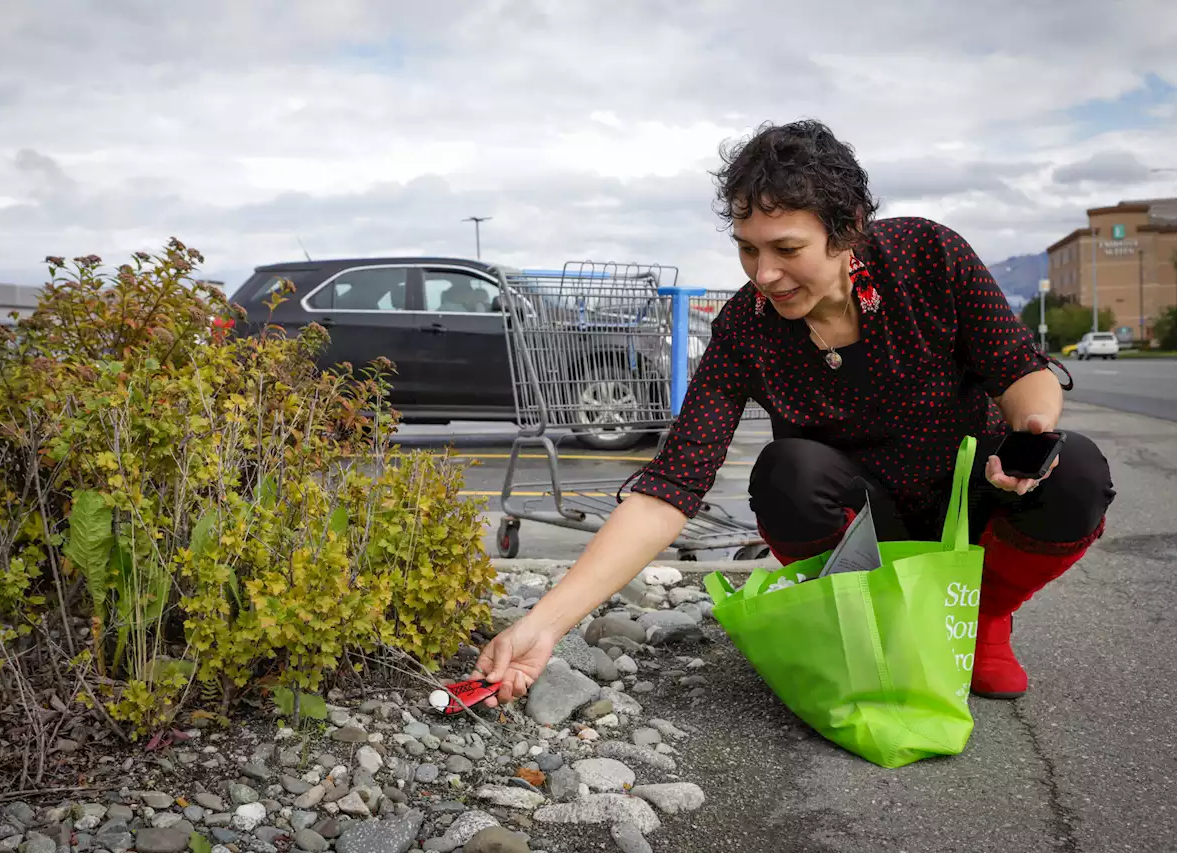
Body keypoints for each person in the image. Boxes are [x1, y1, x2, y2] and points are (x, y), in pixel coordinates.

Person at [471, 119, 1115, 705]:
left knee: (1078, 469)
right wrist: (544, 624)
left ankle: (975, 617)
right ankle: (885, 618)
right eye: (747, 248)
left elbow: (1019, 368)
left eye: (785, 248)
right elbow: (672, 487)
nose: (764, 274)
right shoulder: (746, 330)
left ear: (847, 228)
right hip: (862, 520)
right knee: (786, 471)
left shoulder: (928, 257)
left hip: (972, 496)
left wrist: (1033, 429)